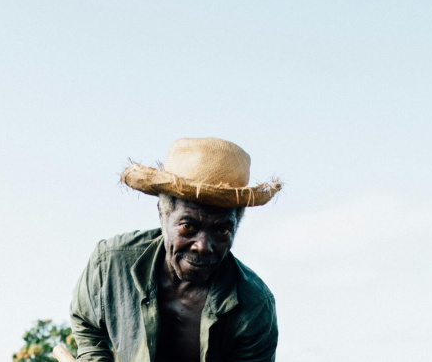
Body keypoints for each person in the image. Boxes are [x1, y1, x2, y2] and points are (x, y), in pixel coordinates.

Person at [70, 137, 283, 362]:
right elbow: (87, 324)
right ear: (163, 215)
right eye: (188, 226)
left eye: (221, 231)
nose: (203, 246)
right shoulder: (109, 263)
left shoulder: (255, 307)